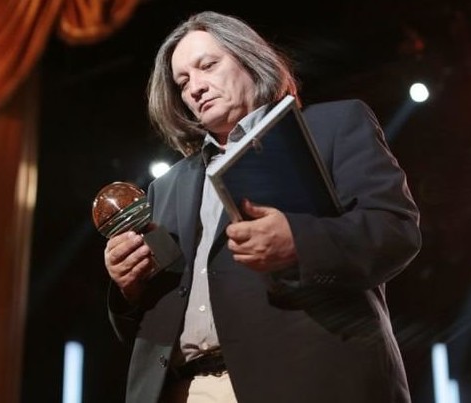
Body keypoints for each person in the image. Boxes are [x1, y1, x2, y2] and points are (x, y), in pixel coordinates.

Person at [103, 10, 421, 403]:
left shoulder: (331, 126)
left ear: (249, 59)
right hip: (183, 391)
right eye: (182, 82)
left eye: (208, 65)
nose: (195, 88)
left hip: (306, 382)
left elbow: (394, 232)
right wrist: (128, 288)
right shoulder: (165, 188)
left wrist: (298, 242)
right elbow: (150, 326)